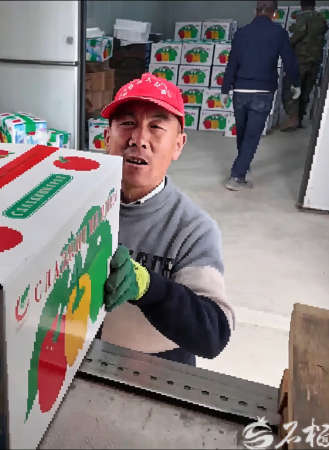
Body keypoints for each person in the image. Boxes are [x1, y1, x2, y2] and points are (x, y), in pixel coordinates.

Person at [95, 73, 236, 366]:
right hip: (80, 359)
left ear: (178, 145)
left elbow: (214, 333)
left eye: (156, 127)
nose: (139, 139)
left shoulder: (193, 229)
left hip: (156, 371)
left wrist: (149, 287)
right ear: (107, 137)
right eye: (127, 123)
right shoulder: (80, 206)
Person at [221, 0, 301, 191]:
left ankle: (243, 165)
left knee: (243, 132)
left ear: (254, 11)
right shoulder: (278, 32)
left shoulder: (241, 32)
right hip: (263, 91)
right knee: (252, 135)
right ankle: (237, 176)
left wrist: (225, 89)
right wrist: (296, 83)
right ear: (275, 14)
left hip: (240, 90)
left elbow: (232, 62)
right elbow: (289, 60)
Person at [280, 0, 329, 132]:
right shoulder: (321, 19)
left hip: (300, 59)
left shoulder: (304, 17)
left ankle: (292, 120)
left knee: (291, 88)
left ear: (302, 6)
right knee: (306, 90)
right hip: (315, 60)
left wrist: (286, 47)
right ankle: (300, 119)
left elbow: (298, 34)